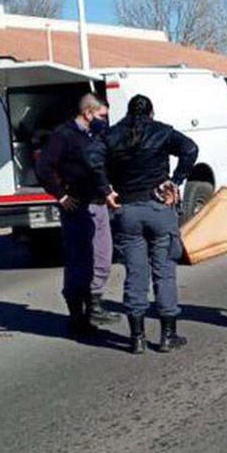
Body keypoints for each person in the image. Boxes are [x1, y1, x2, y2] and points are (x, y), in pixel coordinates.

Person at [86, 94, 199, 354]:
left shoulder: (112, 135)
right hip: (159, 205)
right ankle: (167, 335)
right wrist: (176, 180)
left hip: (127, 209)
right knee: (164, 272)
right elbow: (190, 149)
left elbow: (91, 156)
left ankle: (137, 336)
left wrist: (106, 189)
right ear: (151, 112)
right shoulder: (162, 132)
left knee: (135, 274)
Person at [35, 94, 119, 334]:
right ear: (89, 113)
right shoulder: (64, 135)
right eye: (102, 115)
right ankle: (77, 314)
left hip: (99, 202)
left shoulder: (96, 135)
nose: (105, 120)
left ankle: (94, 305)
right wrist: (60, 194)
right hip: (78, 205)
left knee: (102, 256)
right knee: (79, 260)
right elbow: (44, 167)